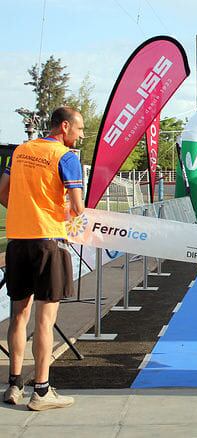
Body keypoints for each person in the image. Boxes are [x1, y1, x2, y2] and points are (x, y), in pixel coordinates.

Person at [0, 107, 84, 410]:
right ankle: (42, 390)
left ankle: (13, 385)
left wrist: (25, 212)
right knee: (45, 320)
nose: (82, 135)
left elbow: (2, 191)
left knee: (18, 315)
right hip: (49, 241)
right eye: (79, 129)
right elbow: (77, 208)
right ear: (64, 127)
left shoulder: (21, 151)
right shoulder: (66, 157)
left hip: (18, 242)